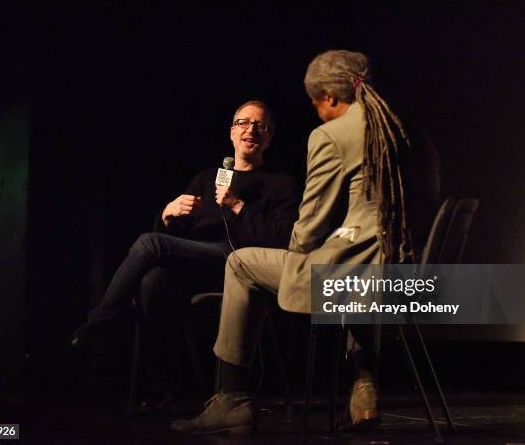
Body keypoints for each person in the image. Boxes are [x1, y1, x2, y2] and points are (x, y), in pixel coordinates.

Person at [171, 50, 440, 435]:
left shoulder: (331, 135)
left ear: (330, 97)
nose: (316, 113)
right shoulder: (410, 132)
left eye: (315, 104)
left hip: (350, 279)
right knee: (360, 266)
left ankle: (231, 398)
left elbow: (308, 230)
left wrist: (300, 248)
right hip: (407, 277)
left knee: (242, 263)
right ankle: (365, 390)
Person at [71, 100, 299, 405]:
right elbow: (174, 240)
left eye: (260, 125)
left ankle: (98, 327)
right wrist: (167, 215)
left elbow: (282, 240)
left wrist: (238, 206)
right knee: (153, 281)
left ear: (269, 137)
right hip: (199, 261)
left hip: (239, 265)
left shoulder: (280, 183)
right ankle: (168, 388)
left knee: (150, 243)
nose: (251, 130)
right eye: (243, 123)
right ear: (231, 132)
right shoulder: (207, 177)